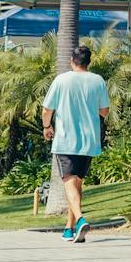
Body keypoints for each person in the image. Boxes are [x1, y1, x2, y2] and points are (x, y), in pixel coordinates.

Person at [42, 43, 110, 244]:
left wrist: (47, 126)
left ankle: (80, 219)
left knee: (70, 182)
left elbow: (47, 109)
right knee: (77, 183)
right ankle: (68, 229)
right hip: (89, 141)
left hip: (66, 139)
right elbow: (104, 111)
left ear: (72, 61)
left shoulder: (62, 80)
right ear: (89, 62)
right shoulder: (98, 81)